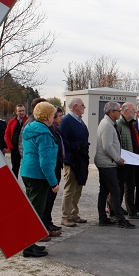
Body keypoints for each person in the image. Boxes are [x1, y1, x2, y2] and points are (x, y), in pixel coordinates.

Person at [19, 102, 60, 257]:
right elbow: (45, 162)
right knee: (36, 211)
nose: (54, 117)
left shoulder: (30, 128)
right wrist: (53, 182)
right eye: (53, 114)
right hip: (38, 175)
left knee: (32, 209)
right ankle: (28, 247)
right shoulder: (44, 133)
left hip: (27, 172)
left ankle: (31, 243)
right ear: (47, 116)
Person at [95, 102, 134, 229]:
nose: (120, 112)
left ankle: (103, 218)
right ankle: (120, 220)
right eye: (118, 110)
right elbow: (107, 146)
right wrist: (118, 159)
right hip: (107, 164)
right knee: (116, 191)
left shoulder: (109, 123)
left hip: (107, 163)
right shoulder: (107, 125)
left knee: (104, 191)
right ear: (111, 112)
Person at [59, 97, 89, 227]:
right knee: (70, 188)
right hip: (71, 159)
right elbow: (62, 139)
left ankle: (73, 213)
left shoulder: (80, 121)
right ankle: (65, 216)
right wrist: (74, 146)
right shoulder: (66, 121)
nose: (84, 107)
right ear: (75, 106)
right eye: (82, 105)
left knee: (78, 187)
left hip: (81, 158)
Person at [116, 102, 139, 219]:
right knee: (119, 188)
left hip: (132, 161)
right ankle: (115, 211)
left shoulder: (131, 125)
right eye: (133, 110)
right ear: (125, 111)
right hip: (123, 161)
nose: (135, 112)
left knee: (130, 188)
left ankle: (132, 212)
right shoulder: (119, 125)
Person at [42, 107, 65, 235]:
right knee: (47, 198)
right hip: (51, 167)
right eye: (59, 116)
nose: (61, 118)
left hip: (56, 165)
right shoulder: (46, 131)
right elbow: (46, 157)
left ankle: (47, 223)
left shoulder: (54, 129)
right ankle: (44, 227)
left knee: (50, 199)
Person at [5, 104, 28, 179]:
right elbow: (7, 135)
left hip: (26, 148)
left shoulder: (28, 121)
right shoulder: (11, 122)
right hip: (14, 148)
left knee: (26, 168)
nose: (22, 112)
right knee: (15, 168)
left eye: (23, 110)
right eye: (20, 111)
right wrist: (10, 146)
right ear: (16, 112)